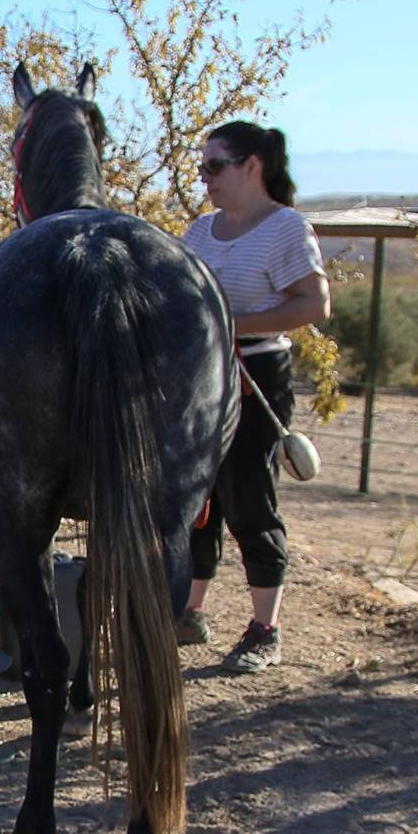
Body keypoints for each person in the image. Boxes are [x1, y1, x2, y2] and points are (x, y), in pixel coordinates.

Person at [178, 121, 330, 673]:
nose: (206, 180)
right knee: (199, 499)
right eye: (202, 169)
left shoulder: (286, 229)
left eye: (215, 167)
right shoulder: (200, 230)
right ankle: (190, 612)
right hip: (199, 377)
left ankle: (266, 629)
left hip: (257, 374)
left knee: (248, 498)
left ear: (252, 166)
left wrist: (233, 324)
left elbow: (314, 305)